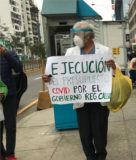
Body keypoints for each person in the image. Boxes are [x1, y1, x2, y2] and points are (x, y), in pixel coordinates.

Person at [42, 21, 116, 160]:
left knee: (100, 134)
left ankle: (101, 156)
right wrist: (50, 79)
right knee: (85, 135)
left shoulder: (104, 50)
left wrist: (114, 68)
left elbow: (113, 75)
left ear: (88, 35)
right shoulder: (71, 52)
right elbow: (64, 74)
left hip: (99, 101)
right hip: (81, 101)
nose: (75, 37)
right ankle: (90, 157)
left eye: (78, 34)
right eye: (74, 34)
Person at [0, 43, 23, 160]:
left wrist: (5, 53)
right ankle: (1, 152)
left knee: (10, 125)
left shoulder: (10, 52)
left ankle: (10, 154)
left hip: (9, 95)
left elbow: (18, 68)